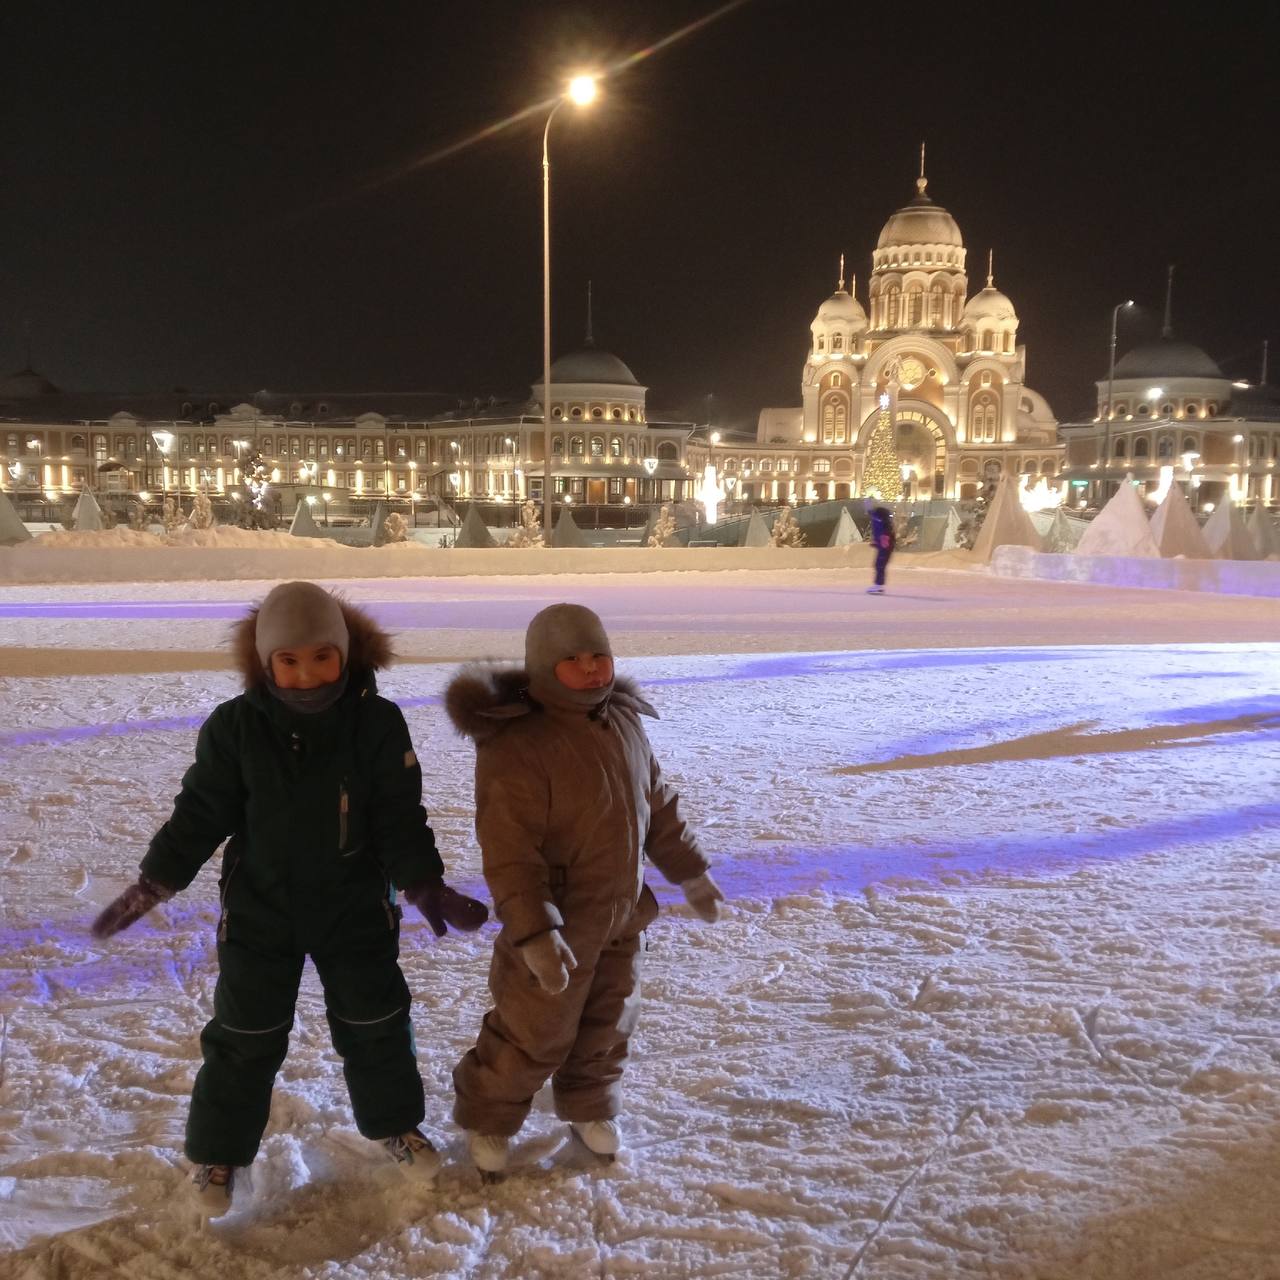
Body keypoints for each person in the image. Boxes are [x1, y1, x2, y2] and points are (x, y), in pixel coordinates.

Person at [91, 581, 487, 1215]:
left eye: (322, 657)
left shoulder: (376, 723)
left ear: (346, 653)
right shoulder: (236, 728)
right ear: (267, 662)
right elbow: (199, 813)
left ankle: (394, 1126)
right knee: (244, 1032)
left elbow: (398, 818)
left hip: (355, 906)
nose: (307, 675)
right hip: (260, 909)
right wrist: (157, 879)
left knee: (377, 1021)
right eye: (290, 661)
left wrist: (423, 883)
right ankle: (221, 1154)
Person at [444, 603, 724, 1178]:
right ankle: (490, 1115)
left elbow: (657, 805)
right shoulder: (518, 742)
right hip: (557, 926)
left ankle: (588, 1104)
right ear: (544, 667)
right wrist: (535, 933)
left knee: (609, 1021)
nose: (593, 668)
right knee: (533, 1029)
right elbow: (511, 852)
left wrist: (689, 869)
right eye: (573, 659)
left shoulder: (623, 719)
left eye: (599, 654)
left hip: (622, 913)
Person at [867, 504, 895, 594]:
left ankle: (878, 585)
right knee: (878, 565)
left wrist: (883, 542)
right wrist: (876, 542)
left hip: (885, 547)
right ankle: (878, 585)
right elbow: (879, 533)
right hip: (885, 546)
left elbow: (883, 533)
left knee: (880, 565)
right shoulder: (879, 520)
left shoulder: (879, 520)